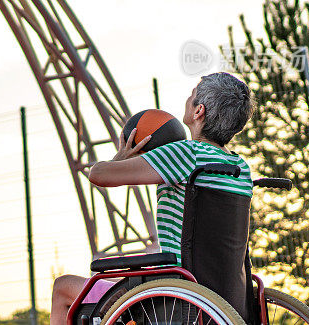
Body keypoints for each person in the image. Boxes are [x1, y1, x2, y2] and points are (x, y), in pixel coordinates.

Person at [49, 72, 256, 325]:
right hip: (228, 299)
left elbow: (98, 174)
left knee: (63, 287)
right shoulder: (240, 168)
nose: (188, 100)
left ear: (199, 111)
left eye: (191, 97)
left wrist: (122, 158)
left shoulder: (185, 154)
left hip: (177, 294)